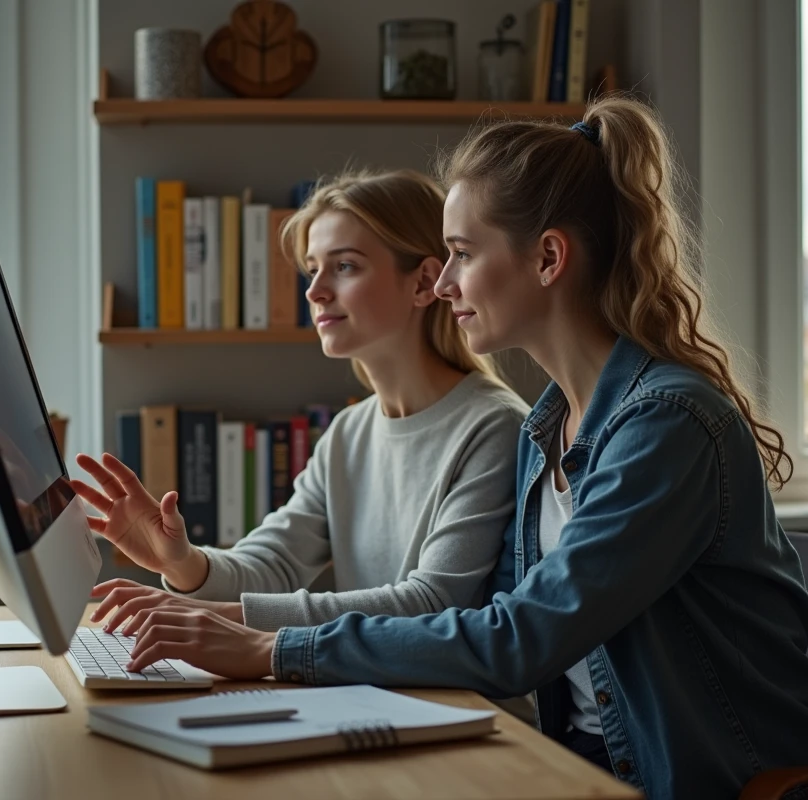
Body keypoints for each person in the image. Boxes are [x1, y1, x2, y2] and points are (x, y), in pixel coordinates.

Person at [111, 97, 808, 800]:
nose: (445, 283)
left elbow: (519, 638)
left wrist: (272, 648)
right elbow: (493, 619)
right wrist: (215, 596)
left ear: (548, 258)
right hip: (585, 760)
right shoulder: (544, 433)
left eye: (462, 254)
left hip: (704, 780)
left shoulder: (665, 425)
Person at [71, 169, 530, 637]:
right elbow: (276, 562)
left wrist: (224, 619)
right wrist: (182, 561)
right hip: (366, 679)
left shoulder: (495, 426)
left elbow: (432, 604)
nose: (315, 291)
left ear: (423, 282)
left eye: (345, 266)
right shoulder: (349, 433)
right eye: (313, 269)